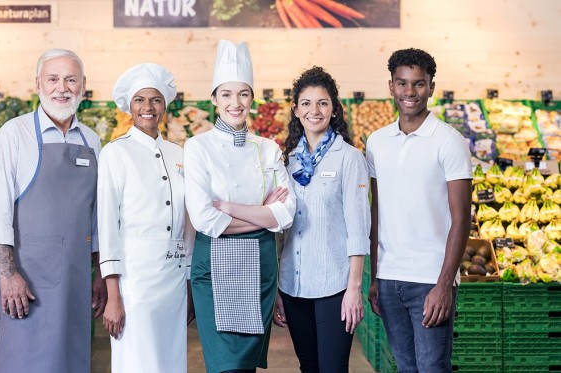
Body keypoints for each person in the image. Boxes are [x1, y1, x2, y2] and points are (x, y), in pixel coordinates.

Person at [0, 48, 107, 373]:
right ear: (38, 83)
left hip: (76, 280)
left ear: (83, 85)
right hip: (26, 281)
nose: (61, 88)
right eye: (53, 79)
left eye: (70, 79)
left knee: (72, 359)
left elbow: (96, 213)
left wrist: (100, 272)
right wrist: (9, 276)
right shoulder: (14, 134)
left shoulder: (92, 140)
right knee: (24, 360)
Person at [184, 39, 297, 373]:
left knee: (244, 365)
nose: (236, 103)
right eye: (227, 94)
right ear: (215, 99)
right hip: (214, 269)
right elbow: (204, 218)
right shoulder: (197, 147)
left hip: (259, 268)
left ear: (252, 98)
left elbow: (288, 212)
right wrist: (263, 215)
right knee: (225, 364)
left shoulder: (267, 148)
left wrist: (230, 208)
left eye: (243, 94)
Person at [366, 48, 472, 372]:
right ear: (391, 86)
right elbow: (375, 212)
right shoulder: (377, 142)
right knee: (406, 367)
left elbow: (461, 219)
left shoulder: (449, 141)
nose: (410, 92)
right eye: (402, 83)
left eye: (418, 84)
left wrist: (444, 285)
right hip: (388, 278)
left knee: (432, 367)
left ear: (431, 87)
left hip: (429, 279)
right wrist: (374, 276)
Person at [98, 63, 195, 372]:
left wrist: (190, 281)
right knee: (138, 361)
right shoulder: (115, 153)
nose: (148, 107)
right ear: (130, 106)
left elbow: (188, 222)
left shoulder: (179, 154)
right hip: (134, 281)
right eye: (140, 99)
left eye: (155, 99)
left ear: (164, 105)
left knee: (171, 360)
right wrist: (113, 295)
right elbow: (107, 225)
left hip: (174, 279)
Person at [273, 66, 370, 373]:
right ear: (296, 109)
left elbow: (358, 228)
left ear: (333, 109)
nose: (314, 111)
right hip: (294, 284)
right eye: (306, 103)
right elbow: (280, 229)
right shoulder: (286, 162)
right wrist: (277, 287)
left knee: (332, 368)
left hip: (335, 286)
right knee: (309, 368)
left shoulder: (349, 158)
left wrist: (354, 289)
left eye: (323, 103)